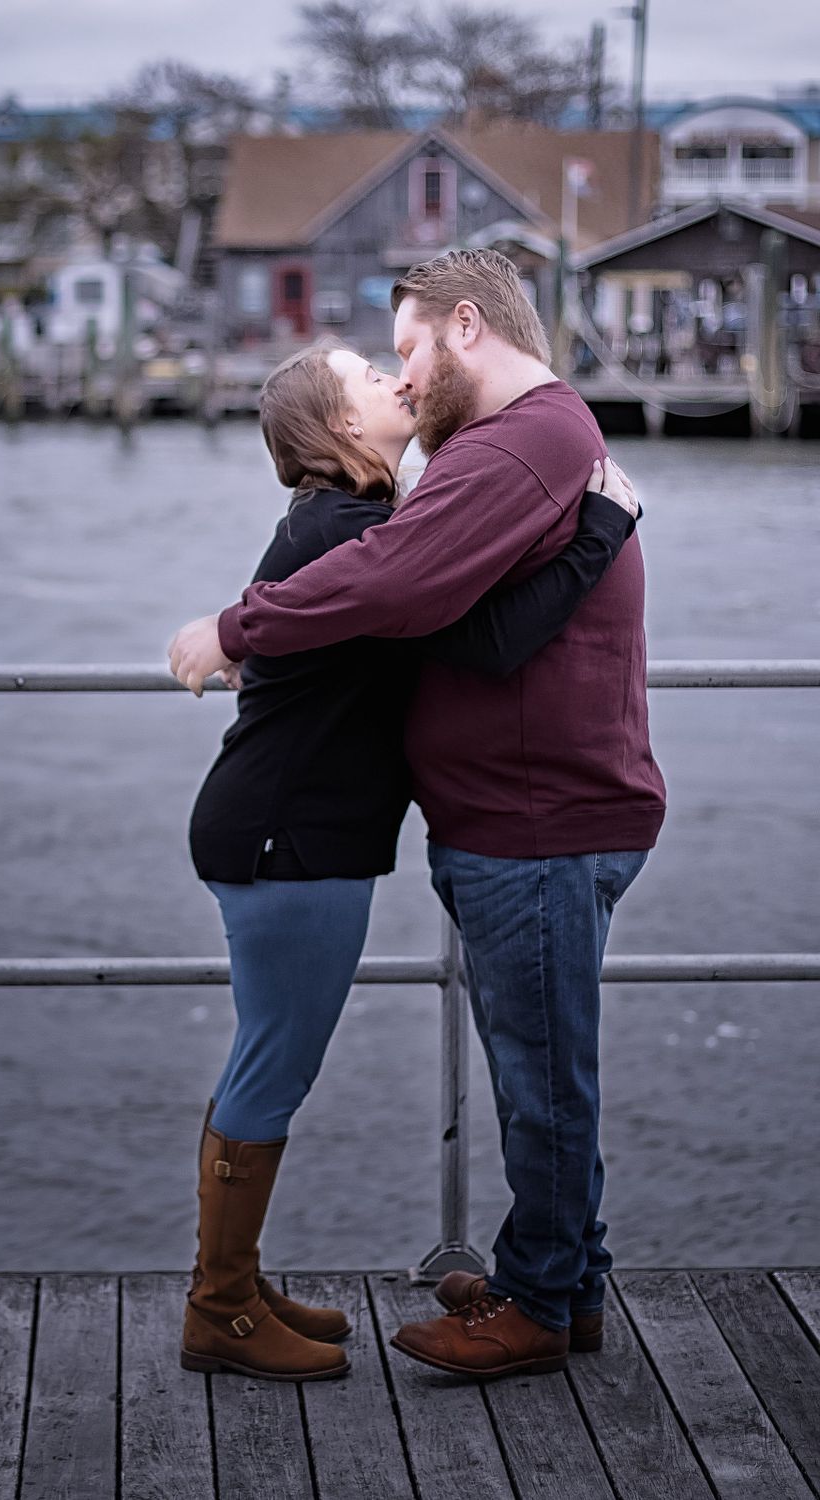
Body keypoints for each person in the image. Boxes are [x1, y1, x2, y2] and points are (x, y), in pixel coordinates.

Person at [170, 249, 667, 1384]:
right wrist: (602, 530)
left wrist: (239, 628)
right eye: (377, 373)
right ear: (331, 433)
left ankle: (543, 1294)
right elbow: (421, 599)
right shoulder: (372, 511)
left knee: (536, 1076)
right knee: (315, 1063)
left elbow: (426, 607)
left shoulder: (503, 450)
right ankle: (239, 1300)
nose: (403, 380)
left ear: (464, 328)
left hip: (520, 823)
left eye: (405, 354)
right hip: (306, 832)